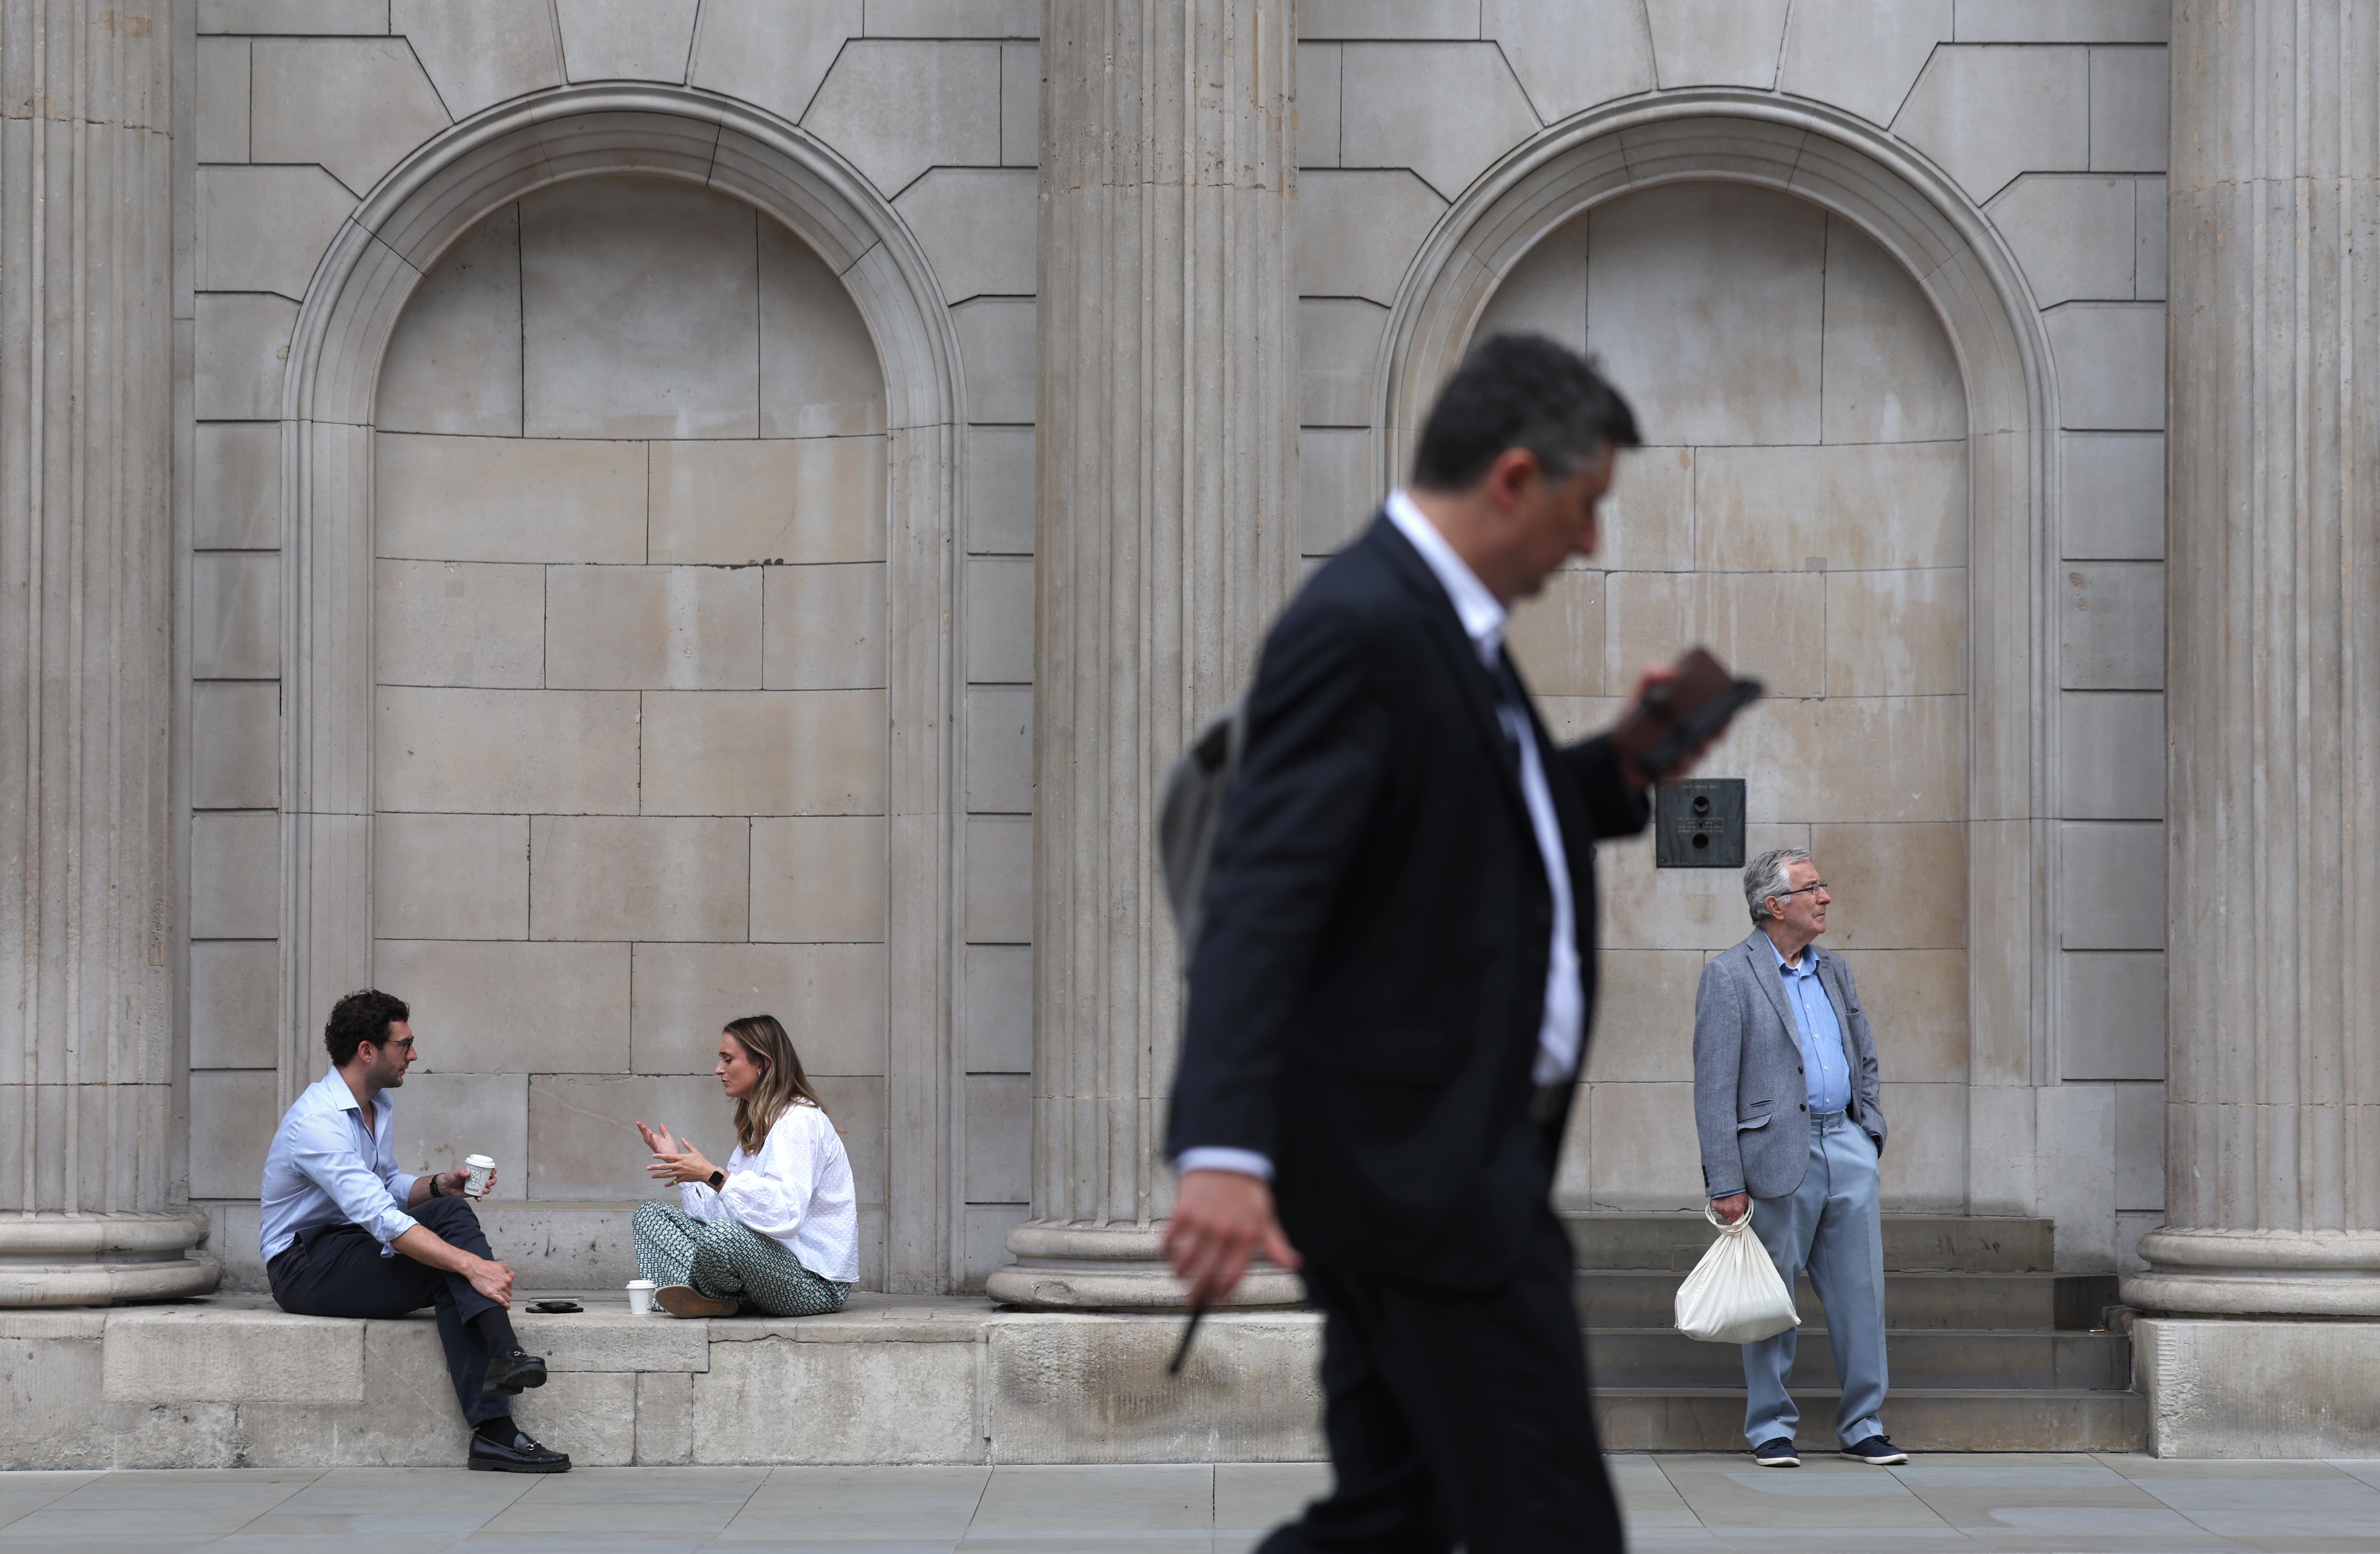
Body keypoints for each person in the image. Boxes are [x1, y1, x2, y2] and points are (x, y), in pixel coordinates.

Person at [1165, 334, 1699, 1552]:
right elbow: (1265, 890)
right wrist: (1221, 1146)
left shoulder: (1439, 628)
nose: (1588, 544)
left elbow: (1471, 829)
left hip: (1431, 1158)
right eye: (1583, 506)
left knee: (1394, 1514)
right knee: (1549, 1522)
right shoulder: (1362, 624)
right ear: (1512, 477)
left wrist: (1621, 762)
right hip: (1423, 1171)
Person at [261, 988, 569, 1473]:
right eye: (404, 1044)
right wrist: (476, 1266)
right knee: (453, 1265)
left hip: (348, 1247)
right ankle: (499, 1397)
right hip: (303, 1265)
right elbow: (381, 1217)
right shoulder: (318, 1123)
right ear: (368, 1051)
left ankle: (501, 1391)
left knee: (448, 1219)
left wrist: (441, 1184)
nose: (414, 1055)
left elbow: (385, 1186)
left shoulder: (376, 1105)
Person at [1693, 847, 1905, 1469]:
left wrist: (1869, 1132)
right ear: (1774, 905)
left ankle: (1864, 1423)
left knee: (1862, 1295)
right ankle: (1770, 1428)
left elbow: (1863, 1054)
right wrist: (1725, 1180)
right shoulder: (1729, 976)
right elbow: (1712, 1089)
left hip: (1845, 1143)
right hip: (1774, 1158)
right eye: (1813, 888)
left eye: (1822, 886)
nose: (1826, 898)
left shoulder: (1835, 970)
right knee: (1770, 1300)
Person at [631, 1014, 860, 1318]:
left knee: (724, 1237)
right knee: (651, 1217)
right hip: (761, 1266)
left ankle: (705, 1296)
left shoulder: (799, 1121)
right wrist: (684, 1170)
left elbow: (787, 1215)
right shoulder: (757, 1127)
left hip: (813, 1281)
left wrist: (714, 1176)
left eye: (728, 1059)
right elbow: (726, 1213)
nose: (719, 1069)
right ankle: (714, 1300)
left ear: (762, 1064)